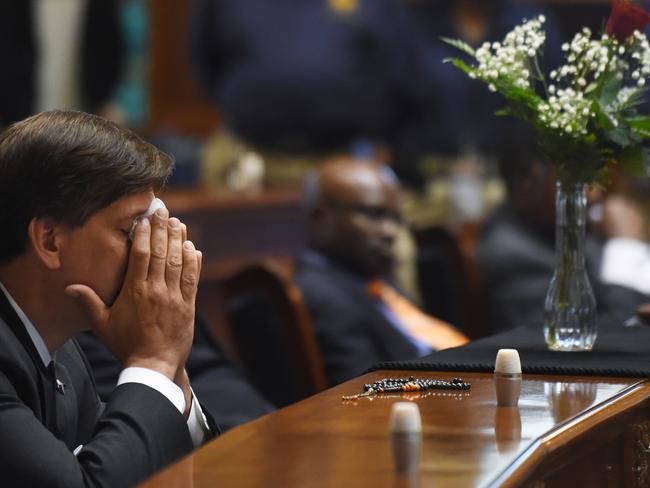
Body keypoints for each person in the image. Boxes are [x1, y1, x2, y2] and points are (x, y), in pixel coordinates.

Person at [0, 110, 215, 487]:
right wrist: (154, 360)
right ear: (50, 239)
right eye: (131, 229)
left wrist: (172, 371)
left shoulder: (62, 349)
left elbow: (132, 455)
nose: (147, 252)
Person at [294, 158, 468, 386]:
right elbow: (364, 393)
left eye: (396, 219)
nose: (390, 231)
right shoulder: (320, 295)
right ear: (321, 216)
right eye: (374, 215)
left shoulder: (372, 278)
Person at [76, 316, 275, 432]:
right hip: (217, 440)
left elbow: (212, 365)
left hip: (252, 414)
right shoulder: (77, 334)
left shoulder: (159, 288)